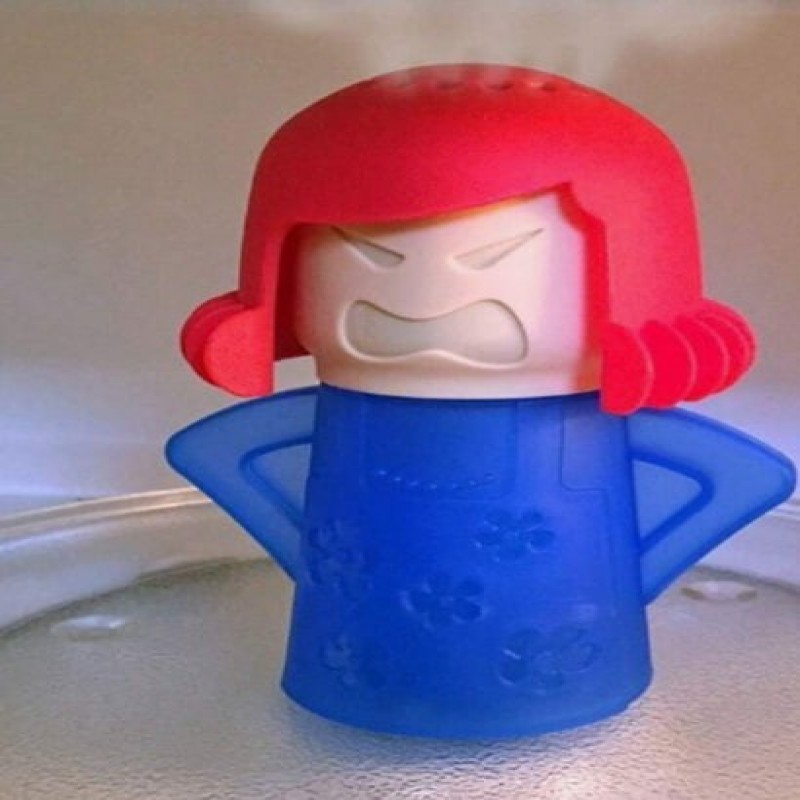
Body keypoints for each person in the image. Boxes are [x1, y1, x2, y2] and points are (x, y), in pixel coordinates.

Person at [167, 64, 795, 738]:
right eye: (371, 255)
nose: (422, 291)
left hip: (556, 684)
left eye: (495, 255)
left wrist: (628, 572)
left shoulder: (594, 421)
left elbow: (733, 477)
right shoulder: (314, 424)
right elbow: (733, 475)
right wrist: (629, 572)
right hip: (354, 673)